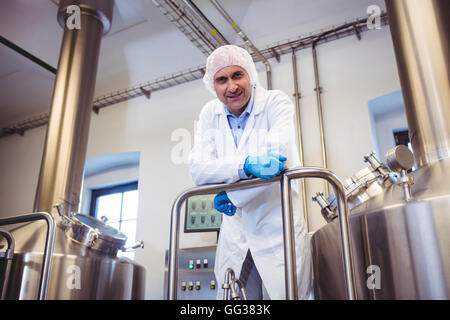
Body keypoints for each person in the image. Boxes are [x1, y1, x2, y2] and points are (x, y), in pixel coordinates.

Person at [188, 45, 311, 300]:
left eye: (237, 75)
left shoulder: (275, 103)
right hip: (235, 232)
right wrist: (244, 166)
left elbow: (274, 165)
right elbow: (199, 170)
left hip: (277, 228)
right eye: (222, 79)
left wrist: (231, 194)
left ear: (250, 76)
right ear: (213, 85)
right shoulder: (210, 113)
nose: (231, 87)